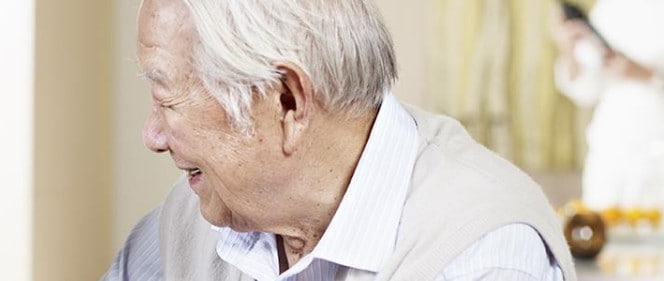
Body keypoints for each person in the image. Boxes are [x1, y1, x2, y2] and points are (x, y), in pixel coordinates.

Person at [104, 0, 575, 280]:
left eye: (167, 99)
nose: (153, 135)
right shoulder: (193, 219)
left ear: (287, 101)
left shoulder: (479, 257)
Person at [552, 0, 664, 212]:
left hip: (657, 142)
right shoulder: (610, 8)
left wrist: (646, 75)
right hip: (613, 145)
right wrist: (568, 50)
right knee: (602, 229)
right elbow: (584, 89)